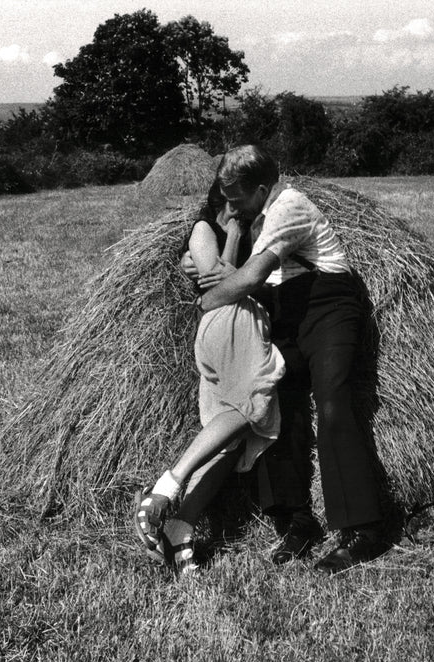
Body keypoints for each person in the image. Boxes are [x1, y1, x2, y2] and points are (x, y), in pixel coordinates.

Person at [185, 145, 388, 574]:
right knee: (272, 401)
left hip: (330, 305)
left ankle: (364, 529)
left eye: (237, 197)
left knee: (332, 397)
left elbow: (253, 276)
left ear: (261, 189)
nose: (231, 207)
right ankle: (295, 520)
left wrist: (206, 302)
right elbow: (255, 280)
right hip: (290, 310)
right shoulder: (258, 216)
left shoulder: (288, 205)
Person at [134, 180, 284, 576]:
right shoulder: (204, 230)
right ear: (221, 203)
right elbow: (225, 283)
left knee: (230, 439)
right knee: (251, 403)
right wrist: (232, 237)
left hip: (247, 327)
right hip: (225, 324)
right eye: (233, 207)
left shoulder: (256, 229)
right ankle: (168, 484)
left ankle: (180, 528)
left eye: (243, 208)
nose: (240, 213)